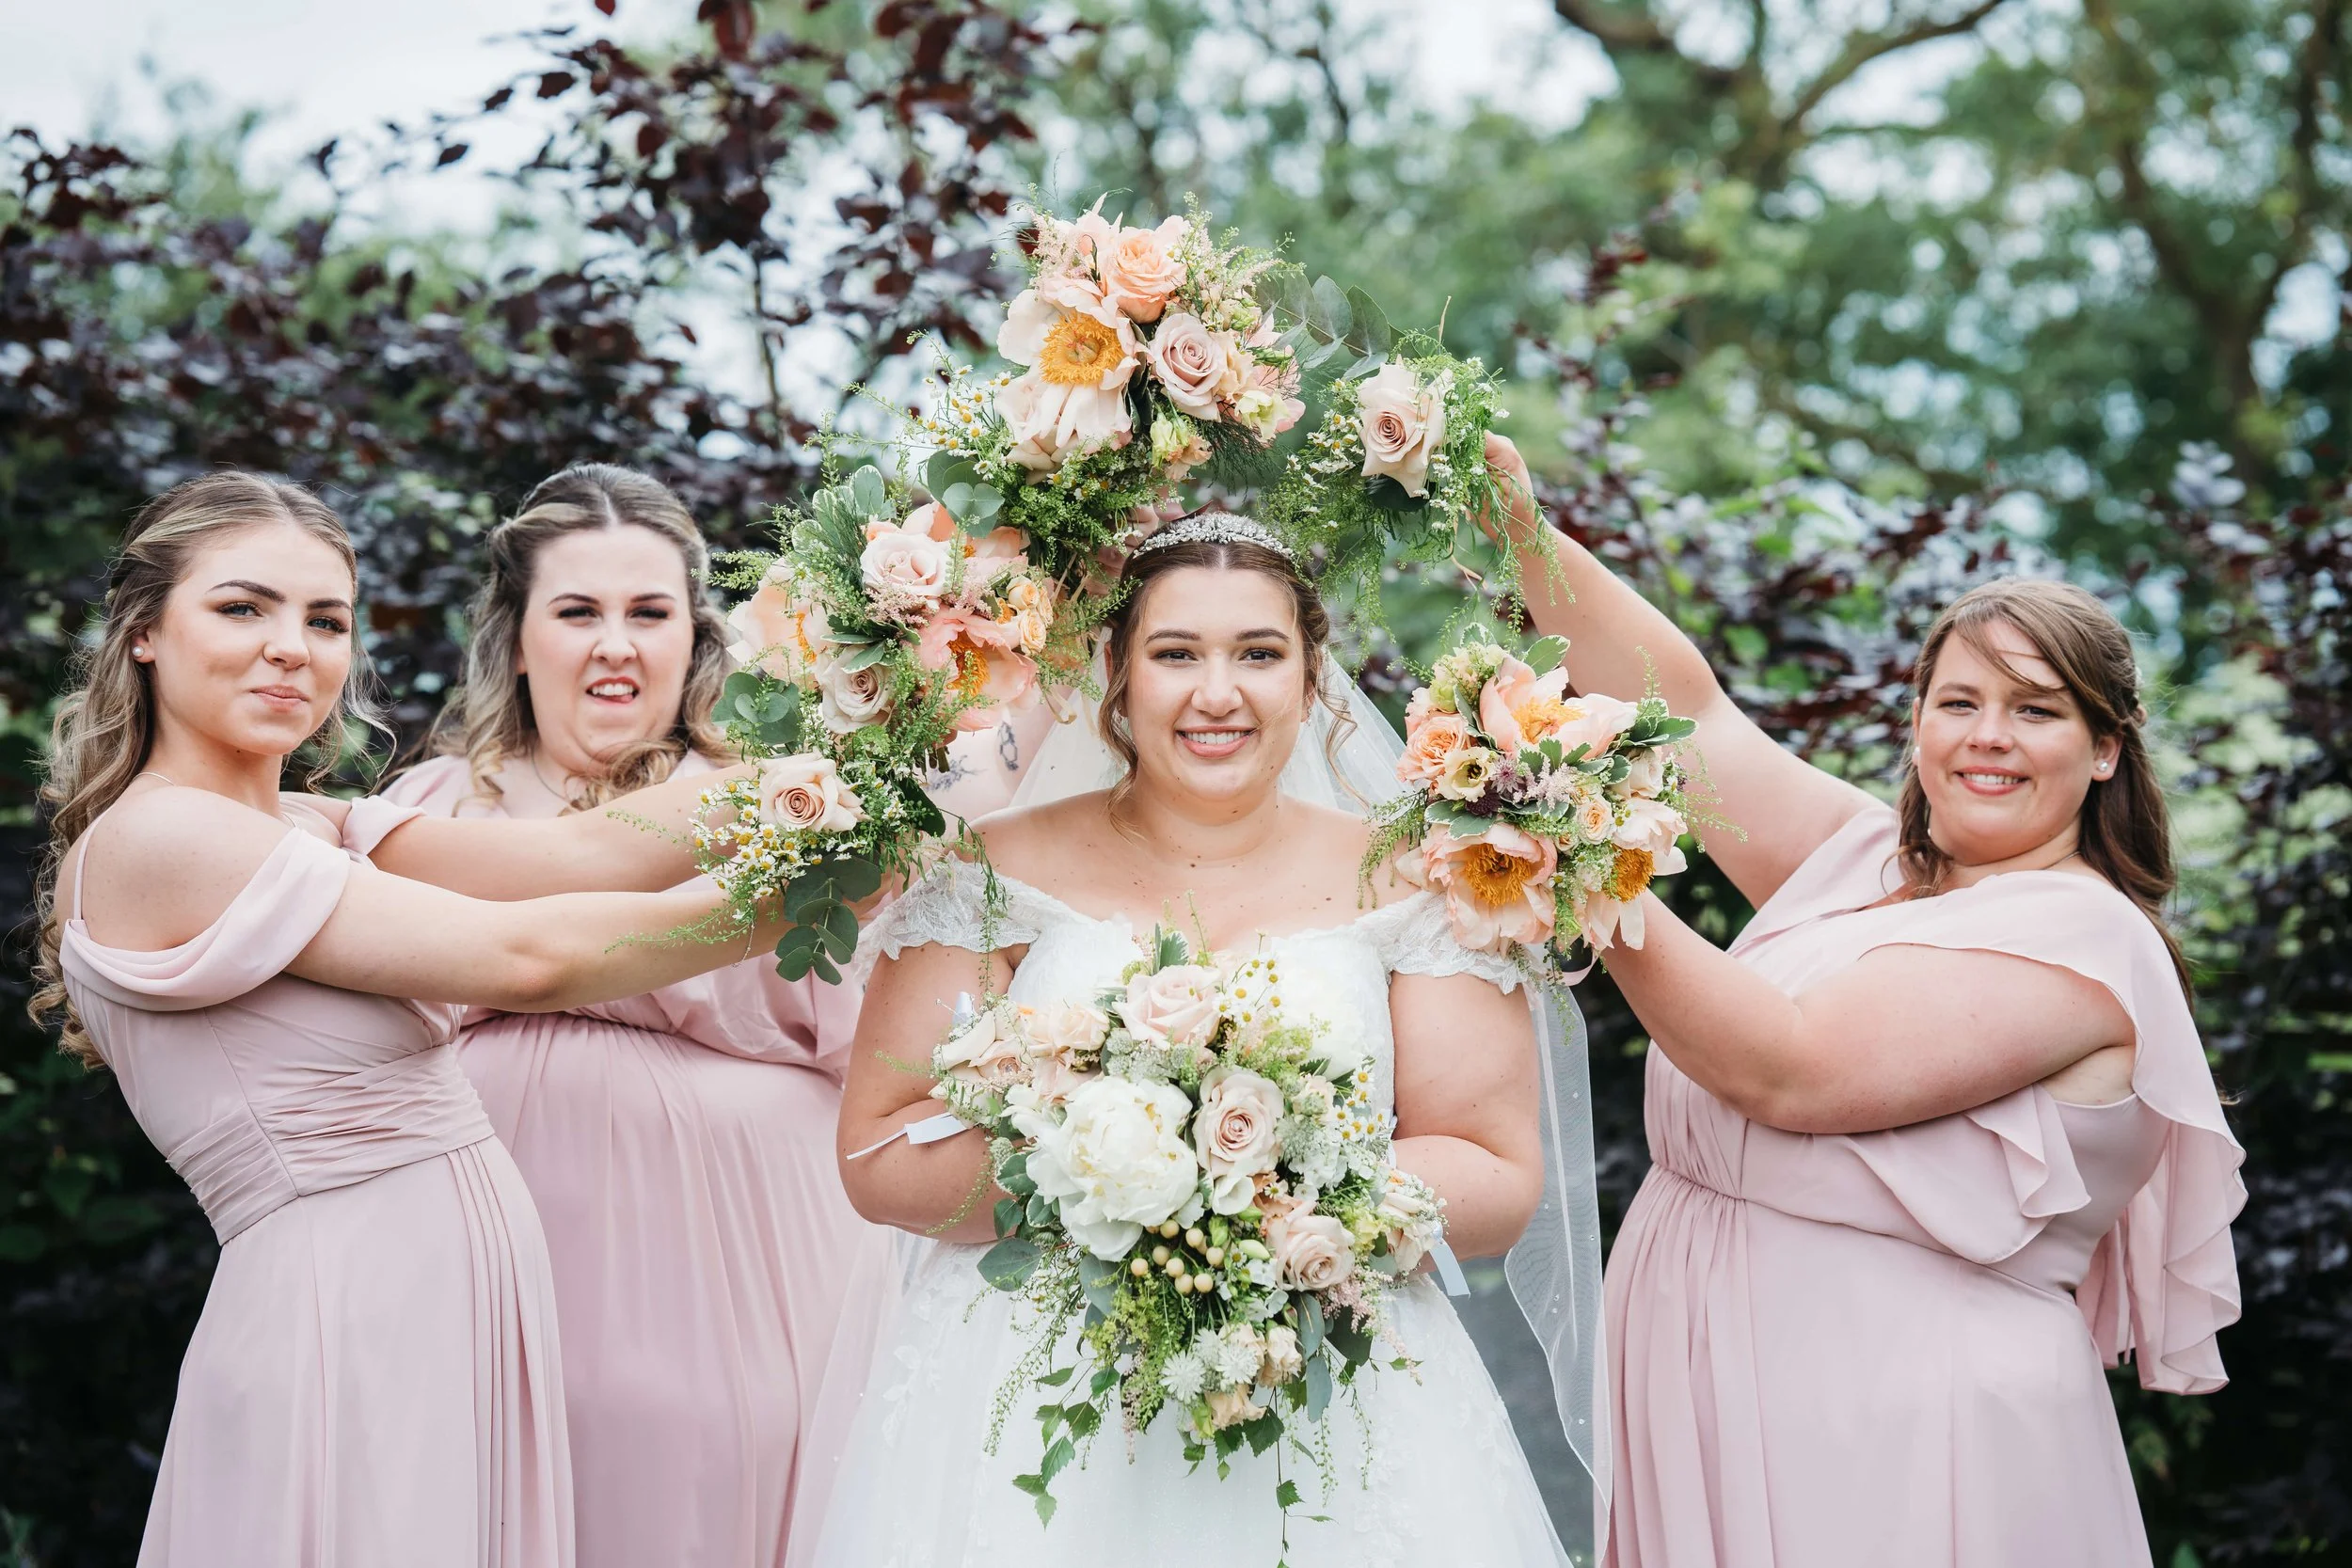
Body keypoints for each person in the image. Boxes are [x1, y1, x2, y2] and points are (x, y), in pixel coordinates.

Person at [1480, 436, 2247, 1568]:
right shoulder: (1870, 859)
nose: (1986, 735)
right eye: (1958, 700)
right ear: (1919, 720)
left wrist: (1575, 856)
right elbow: (1686, 706)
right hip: (1727, 1381)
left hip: (1896, 1424)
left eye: (2034, 710)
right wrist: (1509, 517)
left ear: (2102, 749)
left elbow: (1788, 1067)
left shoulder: (2085, 935)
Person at [30, 471, 805, 1568]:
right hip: (350, 1319)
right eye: (243, 607)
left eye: (326, 619)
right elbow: (530, 955)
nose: (291, 646)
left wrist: (838, 751)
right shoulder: (164, 840)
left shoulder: (313, 819)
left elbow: (584, 855)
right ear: (146, 630)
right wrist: (814, 890)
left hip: (450, 1314)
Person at [798, 513, 1581, 1566]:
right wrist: (1109, 1169)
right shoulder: (982, 869)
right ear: (1116, 673)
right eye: (1176, 654)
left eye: (1259, 653)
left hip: (1327, 1384)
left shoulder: (1420, 882)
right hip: (1026, 1392)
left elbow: (1492, 1169)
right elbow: (877, 1150)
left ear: (1311, 679)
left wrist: (1258, 1187)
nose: (1219, 692)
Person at [378, 465, 891, 1568]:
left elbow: (870, 1046)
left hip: (748, 1279)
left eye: (648, 613)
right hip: (480, 1279)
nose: (616, 643)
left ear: (692, 638)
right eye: (578, 612)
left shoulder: (786, 804)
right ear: (517, 640)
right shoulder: (429, 810)